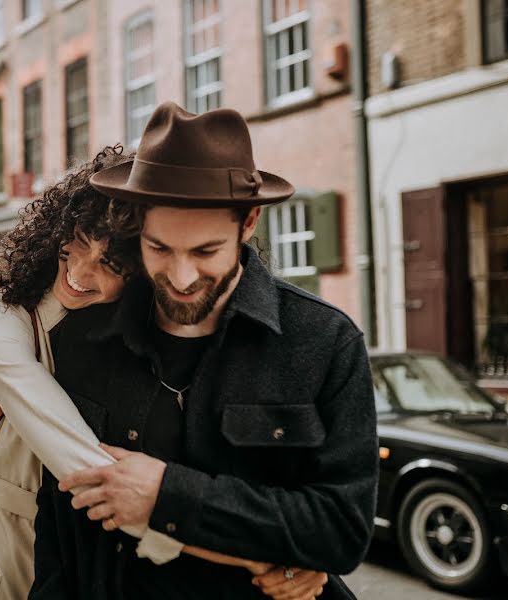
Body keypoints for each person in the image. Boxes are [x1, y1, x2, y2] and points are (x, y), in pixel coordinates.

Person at [0, 145, 326, 599]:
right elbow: (87, 466)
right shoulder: (2, 319)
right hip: (1, 547)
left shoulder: (137, 335)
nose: (79, 272)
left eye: (110, 263)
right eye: (78, 242)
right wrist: (256, 553)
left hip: (90, 559)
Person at [30, 103, 379, 600]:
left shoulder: (325, 342)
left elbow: (341, 531)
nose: (182, 276)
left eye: (205, 252)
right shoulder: (81, 340)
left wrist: (166, 498)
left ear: (249, 222)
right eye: (160, 249)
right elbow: (58, 527)